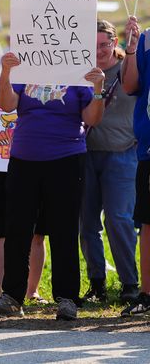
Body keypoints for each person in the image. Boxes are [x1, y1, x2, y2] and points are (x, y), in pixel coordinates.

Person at [0, 53, 105, 321]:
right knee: (17, 228)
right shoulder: (24, 66)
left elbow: (93, 118)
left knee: (64, 229)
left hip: (66, 158)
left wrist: (98, 89)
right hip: (24, 158)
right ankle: (13, 296)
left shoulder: (79, 71)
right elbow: (6, 105)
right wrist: (6, 72)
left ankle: (67, 298)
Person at [80, 20, 138, 304]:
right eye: (94, 45)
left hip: (123, 151)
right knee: (87, 222)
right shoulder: (81, 69)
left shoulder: (129, 66)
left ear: (115, 42)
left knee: (118, 219)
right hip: (86, 152)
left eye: (104, 44)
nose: (99, 51)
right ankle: (97, 283)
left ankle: (130, 282)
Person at [120, 16, 150, 315]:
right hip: (149, 149)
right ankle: (146, 293)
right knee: (148, 223)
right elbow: (130, 86)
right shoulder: (147, 39)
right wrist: (130, 50)